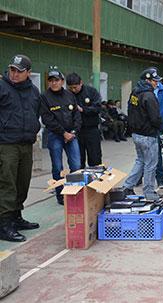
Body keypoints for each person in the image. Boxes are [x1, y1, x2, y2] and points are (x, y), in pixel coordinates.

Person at [0, 54, 41, 242]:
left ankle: (16, 216)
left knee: (22, 182)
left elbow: (35, 113)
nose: (14, 74)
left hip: (26, 142)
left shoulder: (33, 91)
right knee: (7, 183)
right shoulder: (2, 87)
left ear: (28, 73)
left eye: (19, 71)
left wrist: (35, 129)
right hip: (6, 143)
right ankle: (4, 224)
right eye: (12, 70)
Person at [40, 67, 82, 205]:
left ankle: (75, 193)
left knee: (76, 165)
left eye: (56, 80)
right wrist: (63, 133)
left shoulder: (70, 96)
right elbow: (47, 119)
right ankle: (60, 195)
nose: (54, 83)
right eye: (51, 80)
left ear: (62, 81)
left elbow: (76, 115)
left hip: (72, 135)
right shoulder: (45, 97)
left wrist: (73, 132)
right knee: (57, 167)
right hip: (55, 135)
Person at [122, 67, 162, 200]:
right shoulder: (149, 96)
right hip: (148, 135)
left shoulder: (135, 92)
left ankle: (127, 187)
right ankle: (149, 192)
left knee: (140, 161)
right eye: (154, 81)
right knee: (150, 164)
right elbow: (155, 118)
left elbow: (130, 110)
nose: (156, 83)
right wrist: (159, 128)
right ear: (147, 81)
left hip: (136, 134)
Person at [66, 72, 103, 168]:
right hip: (76, 131)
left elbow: (98, 108)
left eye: (75, 87)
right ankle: (80, 180)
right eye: (71, 88)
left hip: (91, 129)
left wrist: (83, 109)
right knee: (78, 160)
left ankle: (96, 180)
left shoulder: (91, 92)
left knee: (95, 158)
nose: (73, 90)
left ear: (81, 83)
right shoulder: (67, 95)